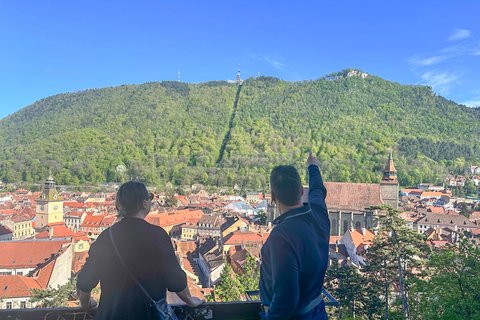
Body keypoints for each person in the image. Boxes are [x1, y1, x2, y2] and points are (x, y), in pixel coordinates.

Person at [76, 181, 203, 320]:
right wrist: (190, 301)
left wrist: (86, 304)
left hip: (111, 315)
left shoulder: (106, 236)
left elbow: (85, 281)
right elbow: (175, 279)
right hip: (148, 315)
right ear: (144, 203)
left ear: (120, 206)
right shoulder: (157, 235)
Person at [259, 151, 330, 320]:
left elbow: (286, 299)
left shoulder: (281, 237)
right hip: (318, 311)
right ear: (300, 191)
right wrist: (313, 166)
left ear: (272, 197)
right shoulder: (319, 216)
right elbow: (318, 190)